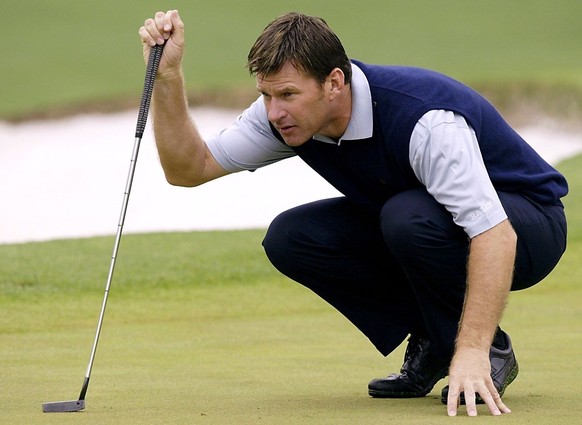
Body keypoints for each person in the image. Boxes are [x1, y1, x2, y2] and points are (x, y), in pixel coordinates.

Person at [138, 10, 568, 417]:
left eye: (288, 94)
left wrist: (473, 348)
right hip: (426, 221)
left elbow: (494, 234)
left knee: (406, 215)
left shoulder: (426, 123)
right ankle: (436, 342)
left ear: (334, 83)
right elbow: (188, 168)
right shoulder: (283, 119)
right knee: (293, 237)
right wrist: (167, 77)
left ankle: (486, 350)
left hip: (527, 224)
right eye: (266, 95)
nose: (274, 112)